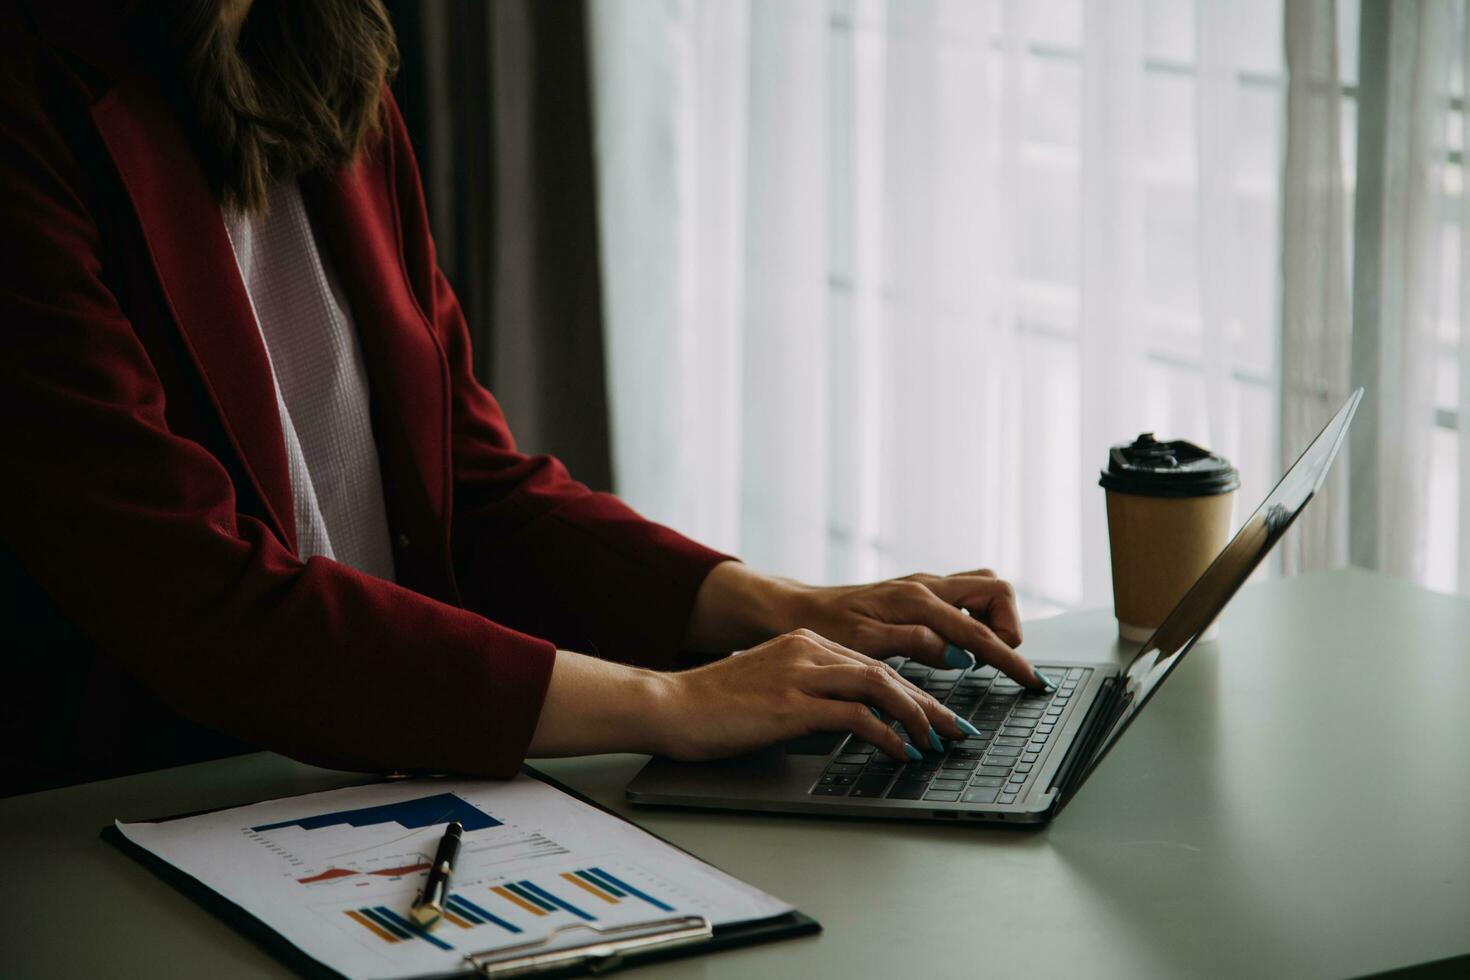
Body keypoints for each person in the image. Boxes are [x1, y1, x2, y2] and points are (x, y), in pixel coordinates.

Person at [0, 0, 1051, 797]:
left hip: (388, 781)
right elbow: (196, 593)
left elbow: (470, 482)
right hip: (134, 808)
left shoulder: (321, 60)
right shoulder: (31, 107)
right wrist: (667, 700)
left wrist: (778, 605)